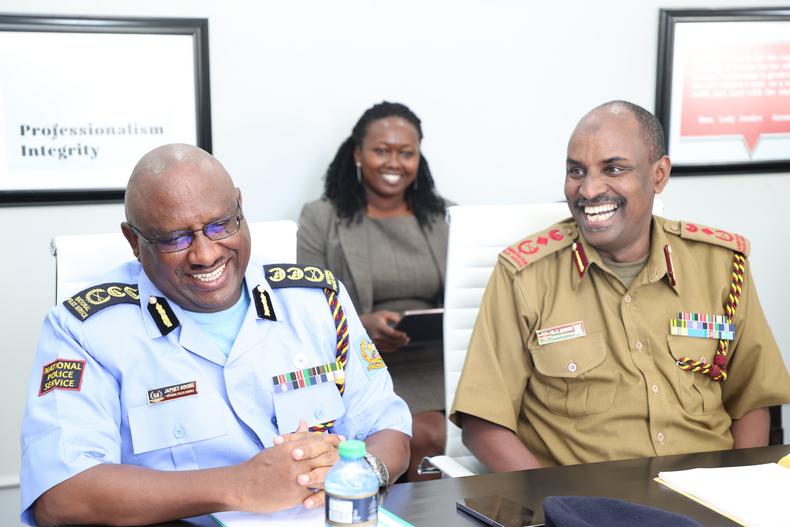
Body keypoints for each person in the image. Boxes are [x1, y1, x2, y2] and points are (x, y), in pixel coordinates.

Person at [20, 144, 411, 526]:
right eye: (175, 238)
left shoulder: (316, 301)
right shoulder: (83, 331)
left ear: (240, 207)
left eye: (220, 225)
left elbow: (387, 427)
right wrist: (240, 486)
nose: (205, 255)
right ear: (135, 242)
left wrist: (361, 472)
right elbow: (62, 498)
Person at [450, 100, 790, 472]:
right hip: (586, 503)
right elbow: (483, 424)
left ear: (659, 175)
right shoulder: (525, 276)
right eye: (576, 171)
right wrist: (561, 505)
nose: (590, 190)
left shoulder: (720, 266)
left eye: (613, 168)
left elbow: (753, 400)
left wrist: (735, 488)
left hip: (706, 498)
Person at [298, 101, 449, 481]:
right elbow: (304, 301)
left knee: (455, 431)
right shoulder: (322, 218)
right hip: (364, 364)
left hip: (438, 361)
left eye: (406, 153)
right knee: (424, 433)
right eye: (382, 150)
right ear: (358, 154)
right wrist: (361, 324)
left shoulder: (445, 216)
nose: (393, 162)